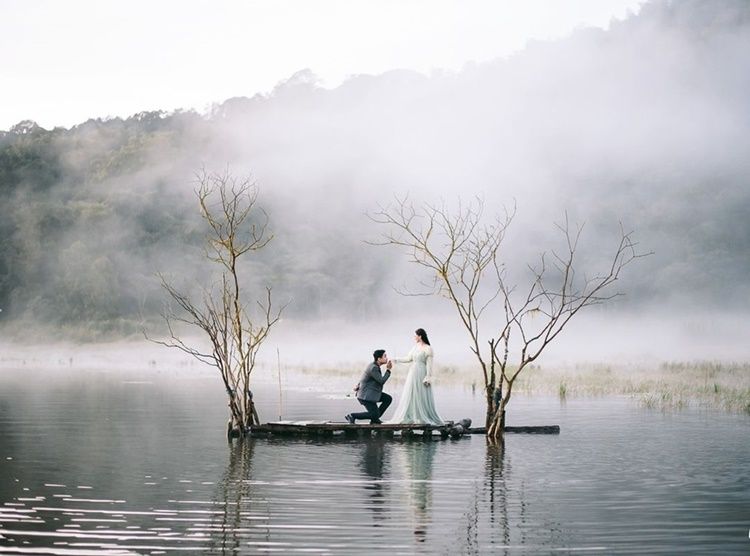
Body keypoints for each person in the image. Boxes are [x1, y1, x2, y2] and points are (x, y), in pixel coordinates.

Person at [387, 328, 443, 425]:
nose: (414, 337)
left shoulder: (428, 348)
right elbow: (408, 358)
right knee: (411, 393)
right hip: (413, 372)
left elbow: (429, 365)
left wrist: (428, 377)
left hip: (421, 372)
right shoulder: (415, 347)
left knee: (421, 394)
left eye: (415, 335)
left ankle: (422, 416)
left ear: (420, 336)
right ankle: (411, 415)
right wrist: (395, 360)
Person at [345, 349, 393, 424]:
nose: (387, 358)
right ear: (379, 359)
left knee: (388, 399)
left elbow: (364, 377)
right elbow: (381, 381)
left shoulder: (374, 365)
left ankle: (375, 419)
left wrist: (358, 385)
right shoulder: (373, 367)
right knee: (374, 414)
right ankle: (352, 416)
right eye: (385, 356)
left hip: (371, 394)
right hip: (366, 396)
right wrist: (388, 370)